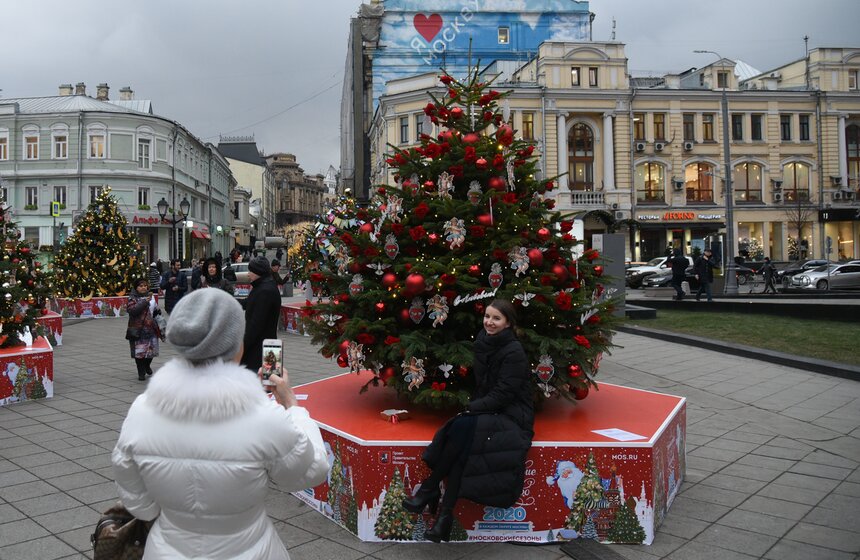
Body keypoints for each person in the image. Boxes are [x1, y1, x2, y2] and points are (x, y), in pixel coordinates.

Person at [112, 288, 329, 559]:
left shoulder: (142, 411)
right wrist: (292, 407)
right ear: (236, 346)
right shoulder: (263, 416)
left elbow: (140, 505)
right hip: (251, 550)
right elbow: (311, 470)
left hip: (166, 549)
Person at [403, 299, 534, 542]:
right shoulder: (484, 342)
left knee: (462, 428)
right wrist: (475, 408)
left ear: (508, 323)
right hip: (492, 408)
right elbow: (485, 387)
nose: (489, 322)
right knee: (464, 437)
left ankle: (430, 490)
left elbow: (505, 393)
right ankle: (443, 515)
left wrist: (472, 408)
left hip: (512, 415)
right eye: (487, 316)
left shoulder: (513, 351)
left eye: (496, 318)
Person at [240, 256, 281, 371]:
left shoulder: (264, 291)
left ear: (258, 272)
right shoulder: (263, 287)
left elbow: (255, 325)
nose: (248, 274)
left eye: (250, 271)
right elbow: (247, 303)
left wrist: (243, 347)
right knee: (269, 382)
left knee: (263, 384)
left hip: (261, 349)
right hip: (268, 346)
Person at [125, 278, 162, 381]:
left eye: (145, 286)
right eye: (141, 286)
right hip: (139, 330)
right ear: (136, 288)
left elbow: (155, 310)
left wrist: (158, 314)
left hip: (151, 329)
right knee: (140, 352)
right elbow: (132, 310)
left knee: (151, 352)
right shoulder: (132, 298)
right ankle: (141, 372)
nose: (143, 288)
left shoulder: (151, 297)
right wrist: (144, 302)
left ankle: (147, 365)